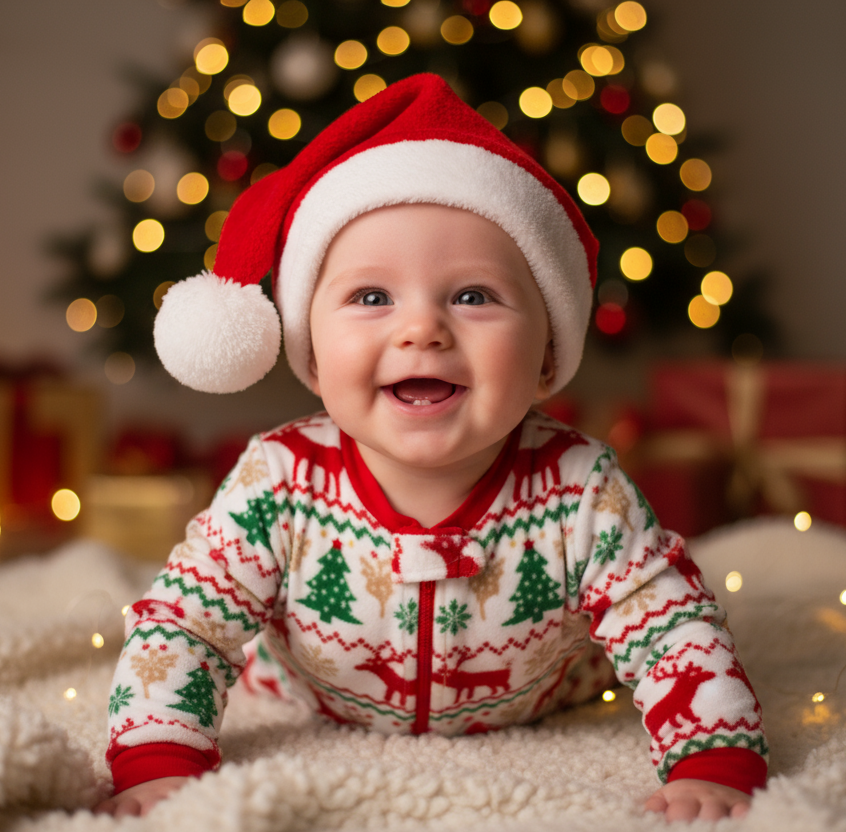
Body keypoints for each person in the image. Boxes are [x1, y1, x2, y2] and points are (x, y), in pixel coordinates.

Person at [96, 74, 766, 822]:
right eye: (371, 297)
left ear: (547, 355)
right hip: (314, 696)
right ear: (310, 349)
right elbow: (186, 621)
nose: (422, 330)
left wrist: (712, 758)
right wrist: (160, 757)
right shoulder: (278, 480)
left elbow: (669, 621)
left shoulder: (581, 487)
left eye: (473, 296)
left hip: (543, 704)